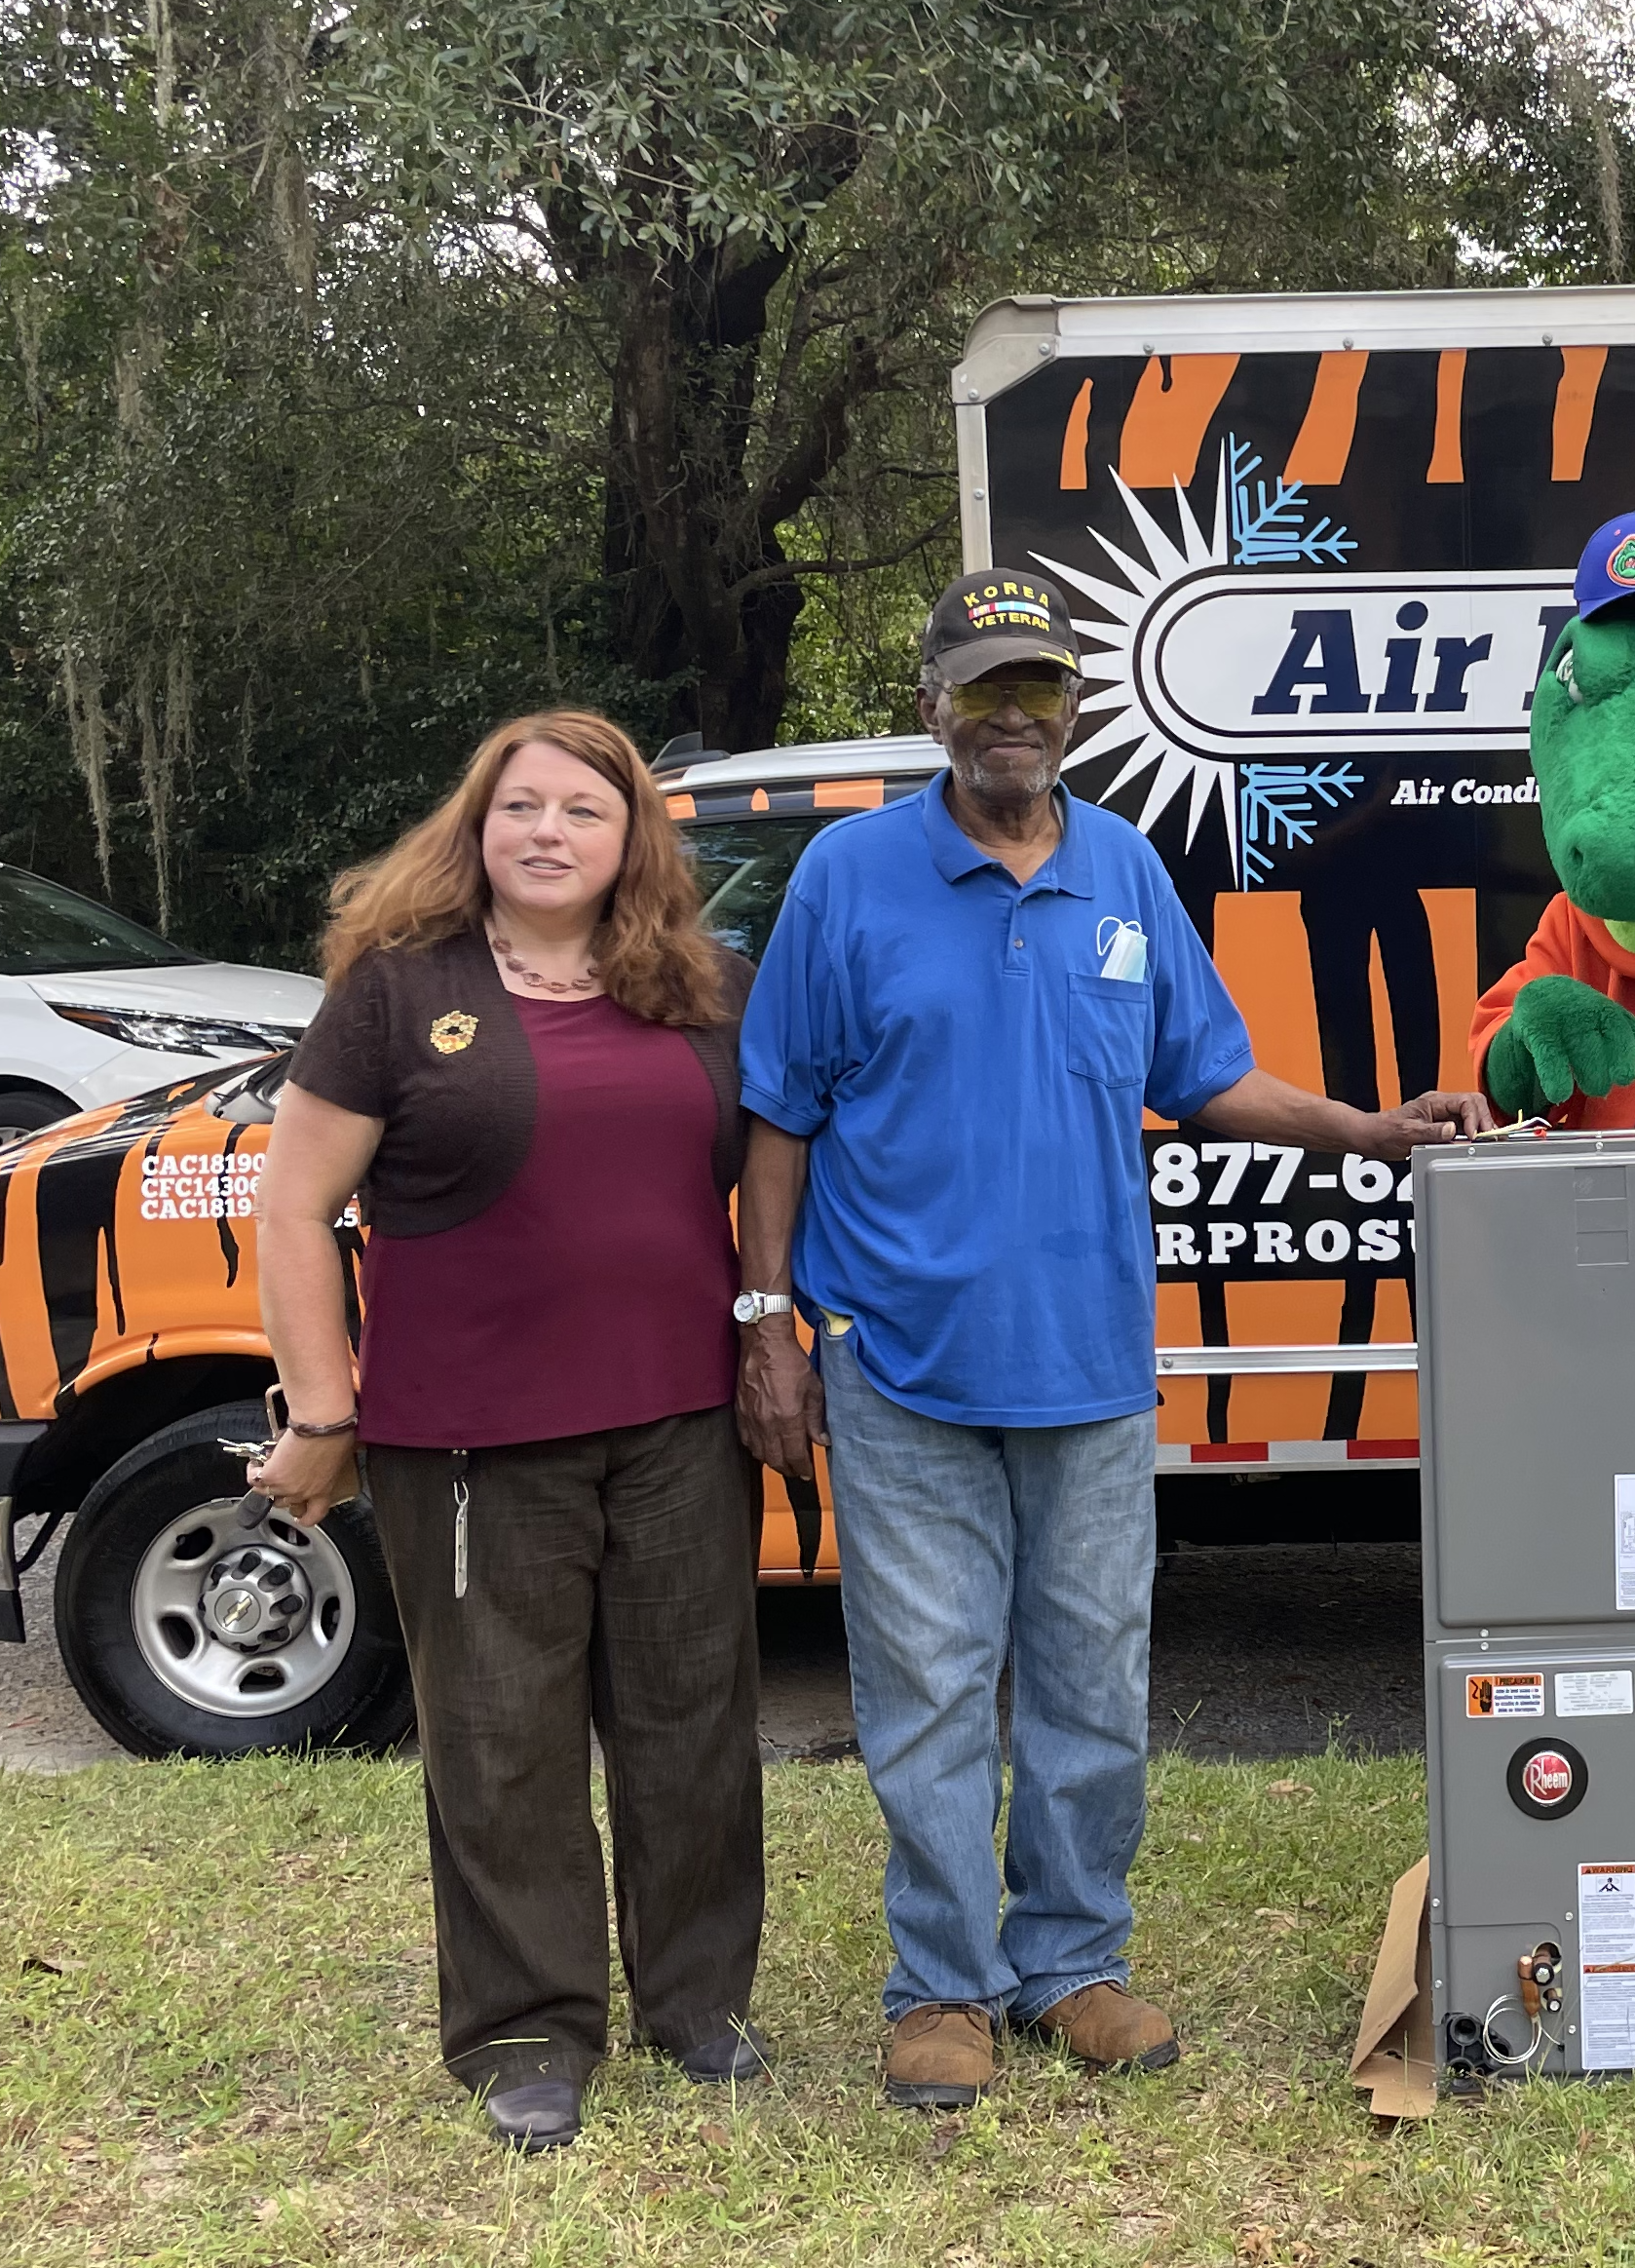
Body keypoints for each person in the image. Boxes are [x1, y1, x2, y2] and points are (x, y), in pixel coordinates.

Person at [736, 570, 1491, 2109]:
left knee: (1091, 1678)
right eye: (985, 687)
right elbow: (778, 1116)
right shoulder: (847, 877)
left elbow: (1208, 1073)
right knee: (930, 1686)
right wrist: (770, 1320)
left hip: (1085, 1360)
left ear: (1071, 711)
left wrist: (1366, 1129)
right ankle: (942, 1986)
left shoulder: (1126, 871)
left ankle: (1071, 1962)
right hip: (897, 1358)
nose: (1014, 716)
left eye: (1041, 690)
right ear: (937, 700)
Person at [250, 709, 768, 2153]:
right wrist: (323, 1409)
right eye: (521, 806)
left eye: (583, 812)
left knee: (694, 1728)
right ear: (476, 826)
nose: (549, 831)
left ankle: (698, 2004)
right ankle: (527, 2029)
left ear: (632, 841)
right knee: (501, 1741)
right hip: (471, 1441)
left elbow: (777, 1170)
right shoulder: (397, 993)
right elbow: (292, 1210)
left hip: (678, 1423)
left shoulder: (707, 988)